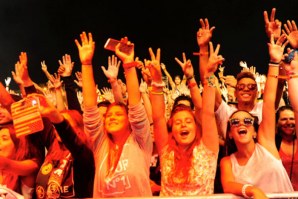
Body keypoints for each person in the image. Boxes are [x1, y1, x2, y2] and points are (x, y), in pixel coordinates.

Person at [75, 32, 152, 197]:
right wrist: (86, 63)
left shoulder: (140, 142)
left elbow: (136, 108)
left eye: (118, 114)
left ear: (129, 121)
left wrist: (129, 64)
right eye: (109, 115)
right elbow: (90, 110)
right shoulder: (100, 145)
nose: (111, 117)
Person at [220, 33, 293, 198]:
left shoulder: (265, 143)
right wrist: (252, 190)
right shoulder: (227, 162)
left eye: (247, 121)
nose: (241, 124)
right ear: (230, 134)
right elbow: (229, 185)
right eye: (235, 122)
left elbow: (268, 100)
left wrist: (274, 62)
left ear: (255, 131)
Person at [148, 42, 223, 196]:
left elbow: (208, 112)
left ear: (196, 127)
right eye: (178, 122)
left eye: (188, 121)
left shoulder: (207, 149)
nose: (183, 125)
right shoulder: (166, 150)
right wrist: (156, 81)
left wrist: (209, 76)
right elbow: (158, 118)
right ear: (172, 129)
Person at [275, 105, 298, 190]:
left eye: (292, 118)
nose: (289, 122)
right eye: (284, 119)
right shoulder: (273, 143)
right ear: (277, 122)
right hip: (279, 194)